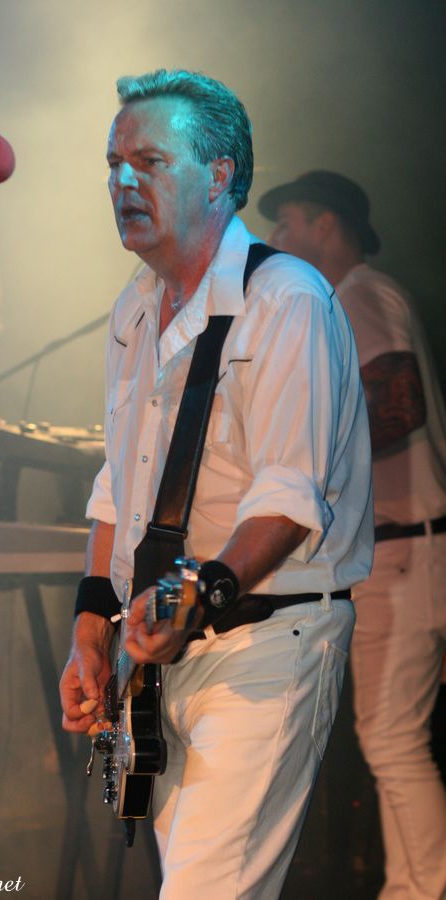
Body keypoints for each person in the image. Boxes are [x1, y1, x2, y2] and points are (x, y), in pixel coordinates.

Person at [59, 74, 373, 899]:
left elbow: (289, 498)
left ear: (220, 175)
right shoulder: (133, 310)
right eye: (114, 164)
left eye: (151, 161)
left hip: (265, 643)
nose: (124, 181)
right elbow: (118, 485)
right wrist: (91, 625)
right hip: (159, 654)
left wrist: (191, 597)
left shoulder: (287, 298)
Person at [259, 170, 446, 900]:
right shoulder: (360, 297)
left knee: (393, 740)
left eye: (287, 223)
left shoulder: (360, 295)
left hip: (405, 550)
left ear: (326, 227)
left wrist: (305, 456)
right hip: (406, 548)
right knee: (392, 739)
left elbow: (398, 404)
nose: (276, 239)